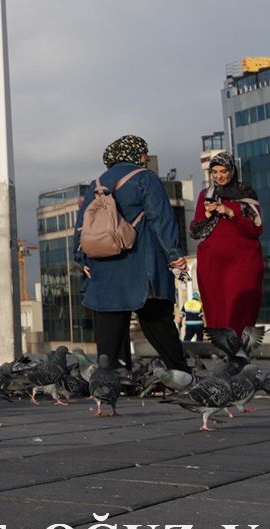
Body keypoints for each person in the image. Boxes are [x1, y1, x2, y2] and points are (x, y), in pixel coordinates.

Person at [74, 136, 190, 374]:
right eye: (144, 153)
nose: (147, 157)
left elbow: (81, 226)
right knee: (156, 318)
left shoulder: (96, 183)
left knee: (110, 321)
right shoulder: (145, 178)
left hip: (102, 264)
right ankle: (180, 373)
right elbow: (161, 218)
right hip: (140, 260)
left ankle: (114, 377)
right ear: (137, 154)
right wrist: (174, 253)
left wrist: (82, 258)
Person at [190, 150, 263, 355]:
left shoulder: (246, 194)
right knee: (217, 310)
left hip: (243, 261)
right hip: (212, 264)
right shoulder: (206, 195)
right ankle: (223, 355)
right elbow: (195, 231)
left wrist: (231, 213)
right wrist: (206, 214)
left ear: (232, 170)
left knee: (239, 307)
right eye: (215, 172)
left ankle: (240, 354)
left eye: (223, 171)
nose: (219, 176)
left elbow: (256, 229)